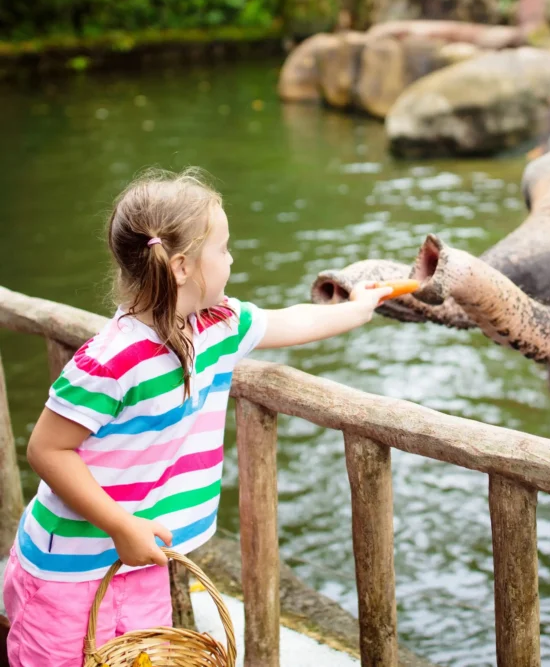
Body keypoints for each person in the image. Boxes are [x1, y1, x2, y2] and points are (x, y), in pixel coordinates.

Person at [2, 168, 393, 666]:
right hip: (70, 567)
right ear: (183, 266)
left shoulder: (217, 325)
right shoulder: (111, 358)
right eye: (224, 249)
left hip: (141, 559)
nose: (232, 259)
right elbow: (46, 448)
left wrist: (358, 310)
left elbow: (292, 319)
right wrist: (121, 525)